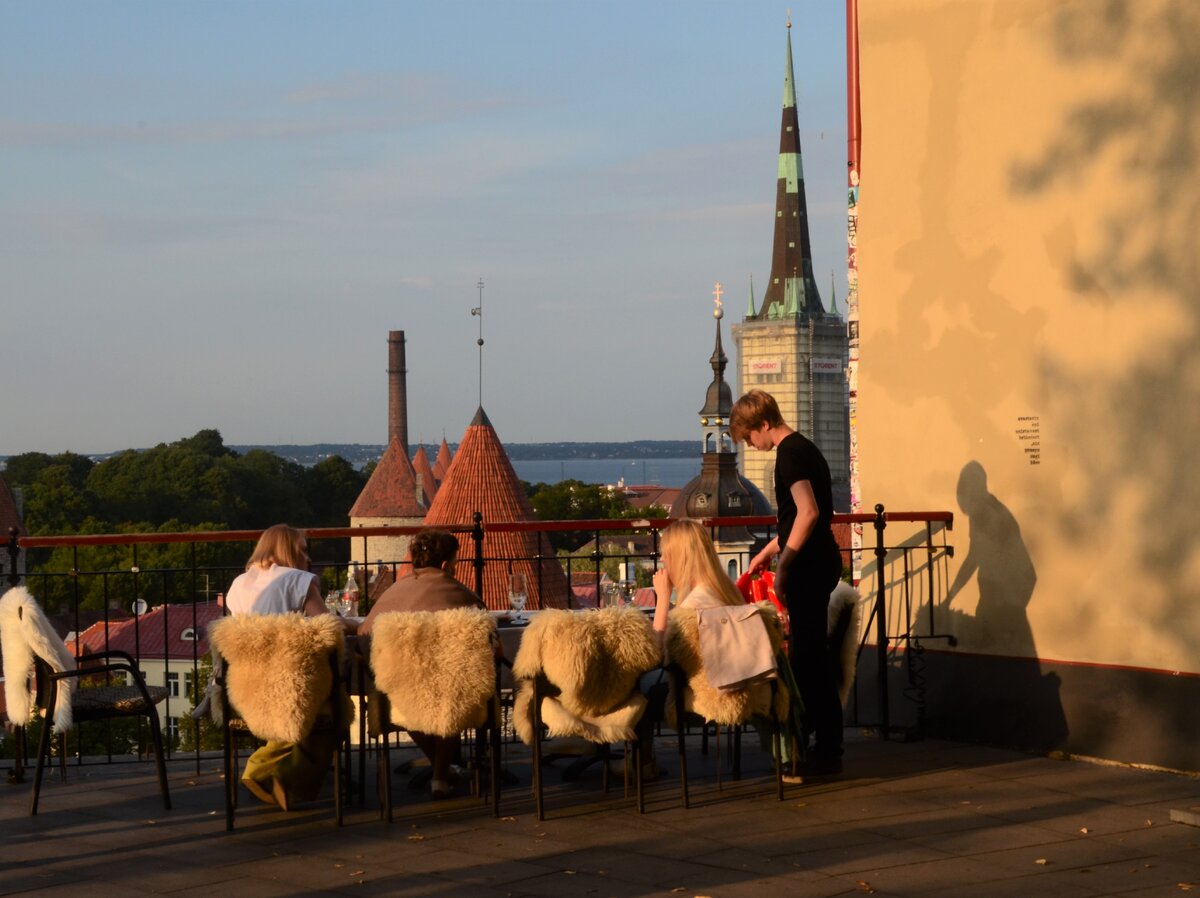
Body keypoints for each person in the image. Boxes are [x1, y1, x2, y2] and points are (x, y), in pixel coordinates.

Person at [730, 389, 844, 778]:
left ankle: (825, 750)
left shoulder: (789, 456)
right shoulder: (805, 448)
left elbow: (808, 513)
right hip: (821, 560)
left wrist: (784, 564)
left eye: (749, 437)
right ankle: (820, 744)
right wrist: (770, 549)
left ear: (763, 424)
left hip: (809, 567)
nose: (751, 445)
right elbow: (805, 514)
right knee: (811, 658)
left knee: (808, 661)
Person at [223, 523, 353, 810]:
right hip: (292, 691)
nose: (309, 558)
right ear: (286, 550)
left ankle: (281, 781)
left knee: (329, 710)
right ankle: (271, 773)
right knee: (338, 712)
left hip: (249, 691)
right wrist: (356, 623)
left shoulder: (237, 586)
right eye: (303, 550)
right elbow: (327, 626)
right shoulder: (299, 580)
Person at [358, 527, 487, 800]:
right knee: (453, 691)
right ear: (445, 565)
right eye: (454, 563)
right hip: (451, 694)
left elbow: (365, 637)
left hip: (401, 694)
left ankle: (442, 771)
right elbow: (487, 640)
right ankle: (442, 774)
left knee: (410, 697)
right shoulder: (460, 594)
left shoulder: (393, 592)